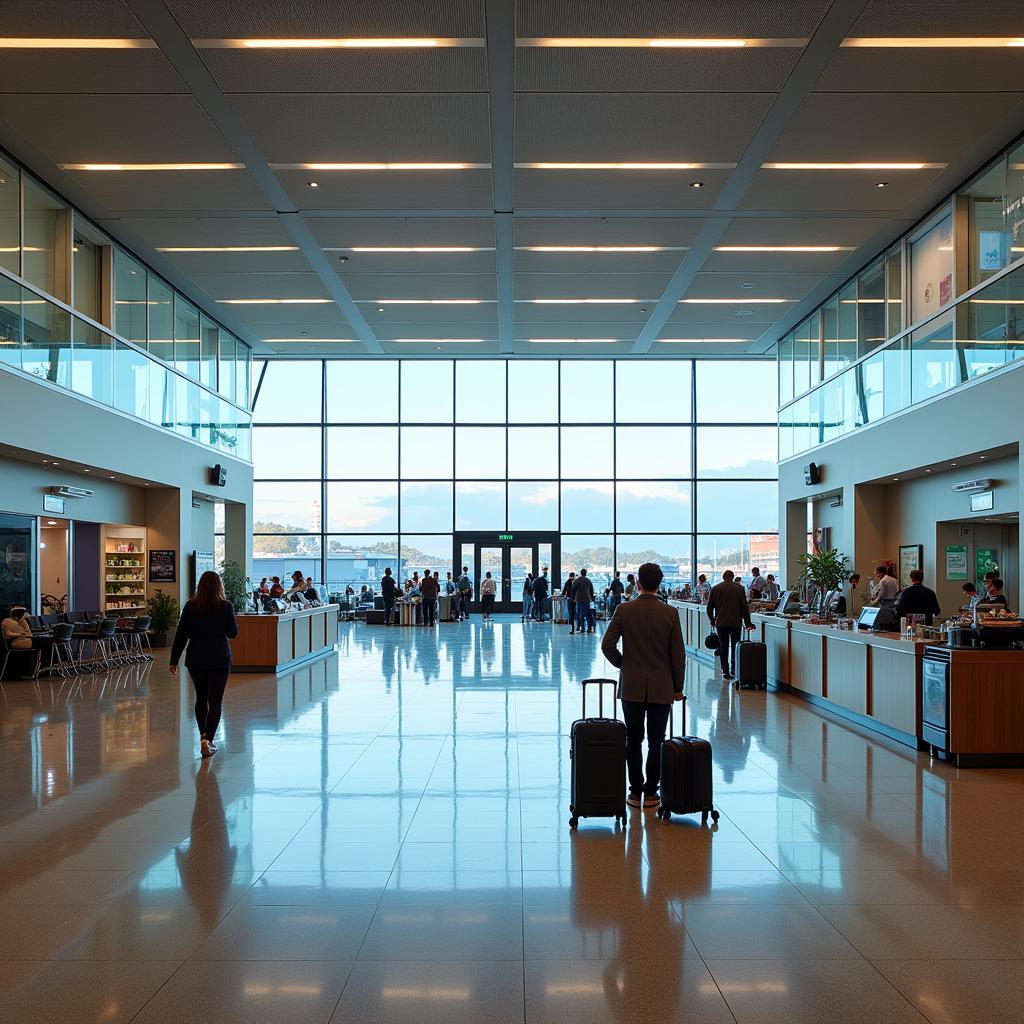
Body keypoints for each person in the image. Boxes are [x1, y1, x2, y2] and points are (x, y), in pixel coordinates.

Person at [600, 562, 685, 809]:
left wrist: (624, 665)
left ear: (638, 583)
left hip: (632, 686)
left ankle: (635, 790)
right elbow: (677, 654)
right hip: (662, 687)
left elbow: (607, 645)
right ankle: (652, 792)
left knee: (633, 738)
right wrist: (677, 686)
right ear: (660, 584)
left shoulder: (624, 610)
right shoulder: (670, 613)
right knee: (656, 740)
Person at [169, 570, 239, 759]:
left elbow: (181, 633)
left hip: (196, 658)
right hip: (219, 658)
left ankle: (202, 736)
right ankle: (209, 740)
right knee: (215, 701)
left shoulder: (191, 606)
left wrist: (173, 660)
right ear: (219, 586)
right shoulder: (226, 606)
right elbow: (233, 633)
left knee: (201, 697)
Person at [706, 569, 753, 681]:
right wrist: (748, 623)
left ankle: (725, 671)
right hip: (735, 622)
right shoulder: (739, 589)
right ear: (732, 577)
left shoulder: (715, 588)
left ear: (723, 577)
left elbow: (709, 608)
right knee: (735, 645)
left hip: (721, 623)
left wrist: (712, 620)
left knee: (723, 646)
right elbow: (744, 608)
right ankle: (734, 668)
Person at [574, 567, 596, 634]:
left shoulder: (577, 580)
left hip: (579, 599)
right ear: (586, 573)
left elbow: (573, 589)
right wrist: (592, 598)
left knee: (579, 614)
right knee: (587, 614)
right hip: (586, 599)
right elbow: (591, 590)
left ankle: (581, 628)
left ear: (581, 573)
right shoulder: (588, 580)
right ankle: (589, 628)